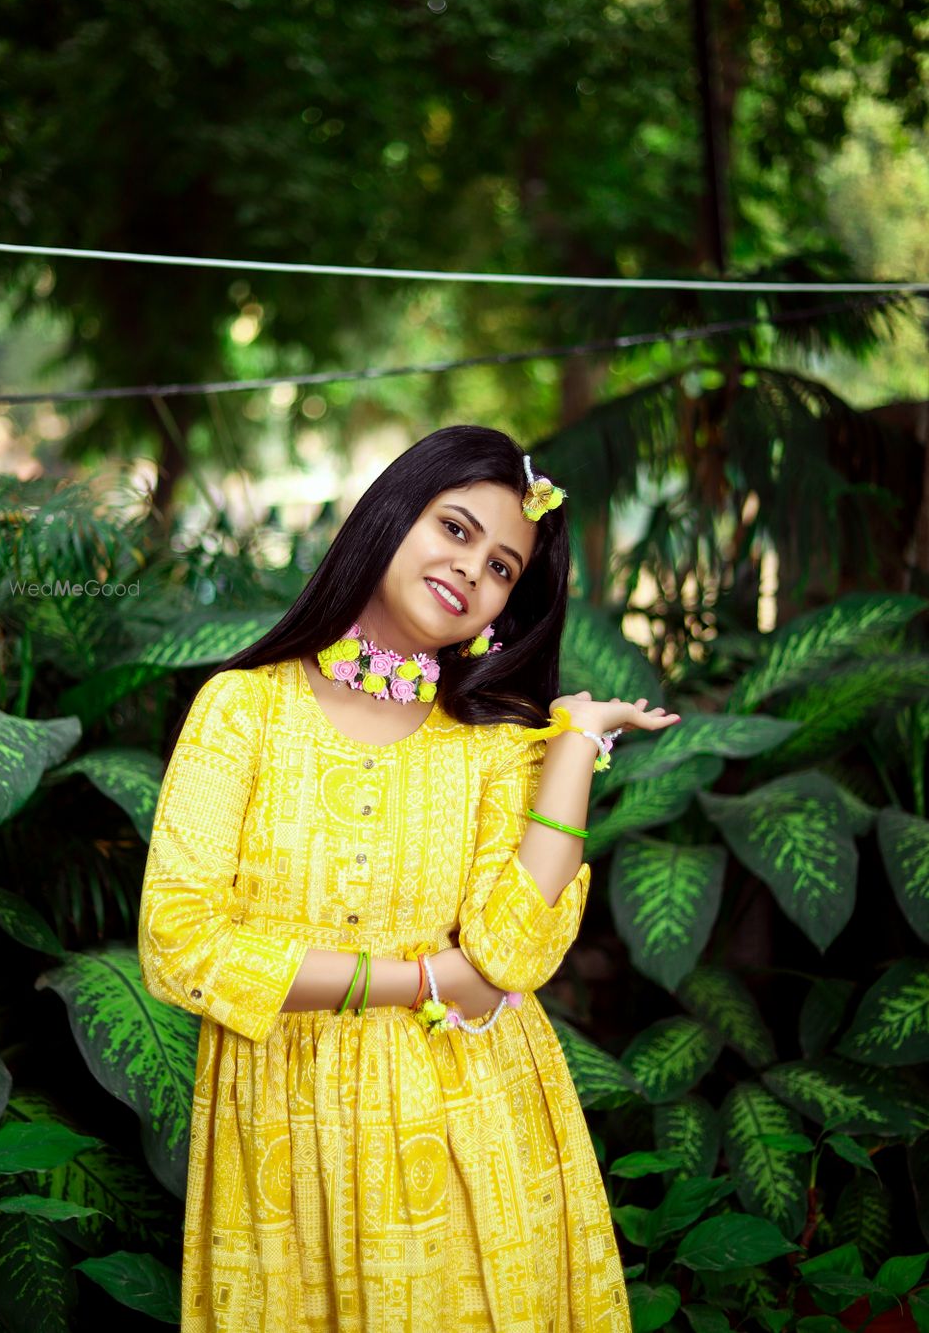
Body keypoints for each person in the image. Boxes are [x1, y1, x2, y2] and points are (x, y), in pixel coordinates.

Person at [138, 423, 680, 1332]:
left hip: (473, 1130)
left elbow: (512, 950)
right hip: (284, 1136)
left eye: (504, 566)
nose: (474, 570)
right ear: (390, 518)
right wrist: (420, 980)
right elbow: (180, 945)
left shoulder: (494, 744)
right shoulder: (244, 711)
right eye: (456, 530)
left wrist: (577, 747)